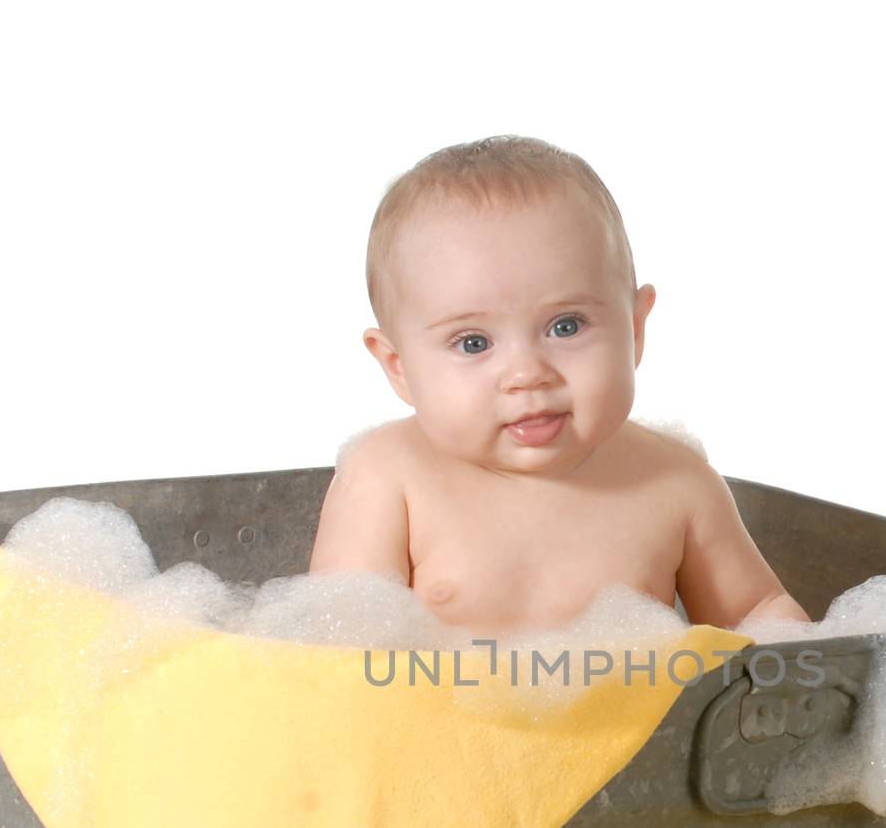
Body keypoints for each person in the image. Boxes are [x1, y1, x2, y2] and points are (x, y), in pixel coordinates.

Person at [309, 135, 810, 635]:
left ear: (634, 330)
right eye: (473, 343)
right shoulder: (389, 478)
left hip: (641, 717)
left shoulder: (677, 484)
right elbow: (334, 652)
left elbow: (757, 616)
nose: (528, 374)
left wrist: (798, 646)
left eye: (566, 326)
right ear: (398, 367)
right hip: (427, 712)